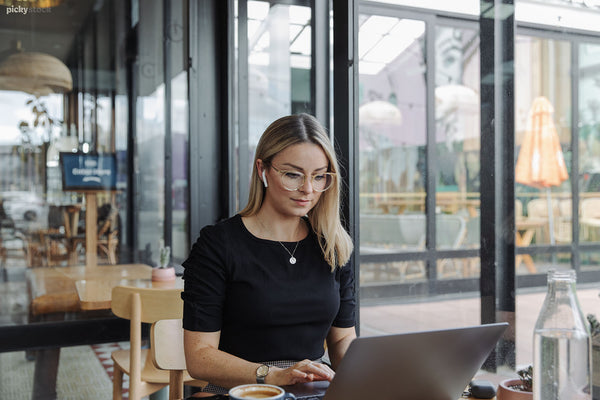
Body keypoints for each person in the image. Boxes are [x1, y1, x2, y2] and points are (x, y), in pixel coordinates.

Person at [181, 113, 356, 396]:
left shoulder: (332, 246)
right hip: (238, 390)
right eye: (292, 174)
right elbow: (199, 357)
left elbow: (343, 339)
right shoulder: (218, 245)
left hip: (309, 390)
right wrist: (274, 376)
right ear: (263, 169)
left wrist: (367, 375)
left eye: (319, 176)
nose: (308, 189)